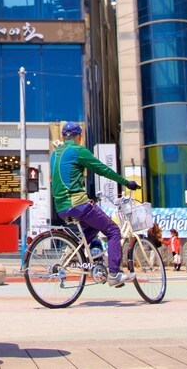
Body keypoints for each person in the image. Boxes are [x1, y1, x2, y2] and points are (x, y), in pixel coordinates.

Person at [50, 121, 140, 287]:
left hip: (61, 207)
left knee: (93, 227)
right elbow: (102, 169)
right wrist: (125, 182)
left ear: (63, 137)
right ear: (79, 136)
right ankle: (114, 273)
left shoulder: (55, 154)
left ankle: (72, 252)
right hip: (77, 203)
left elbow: (55, 179)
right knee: (113, 230)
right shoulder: (78, 150)